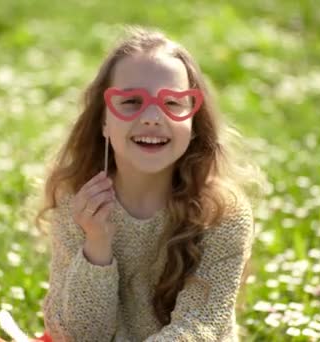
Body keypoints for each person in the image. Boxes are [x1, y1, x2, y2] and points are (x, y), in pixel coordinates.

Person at [33, 25, 266, 342]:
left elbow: (201, 327)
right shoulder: (76, 200)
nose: (153, 117)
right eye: (130, 102)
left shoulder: (223, 214)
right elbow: (76, 334)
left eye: (173, 103)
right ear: (103, 121)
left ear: (193, 124)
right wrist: (96, 243)